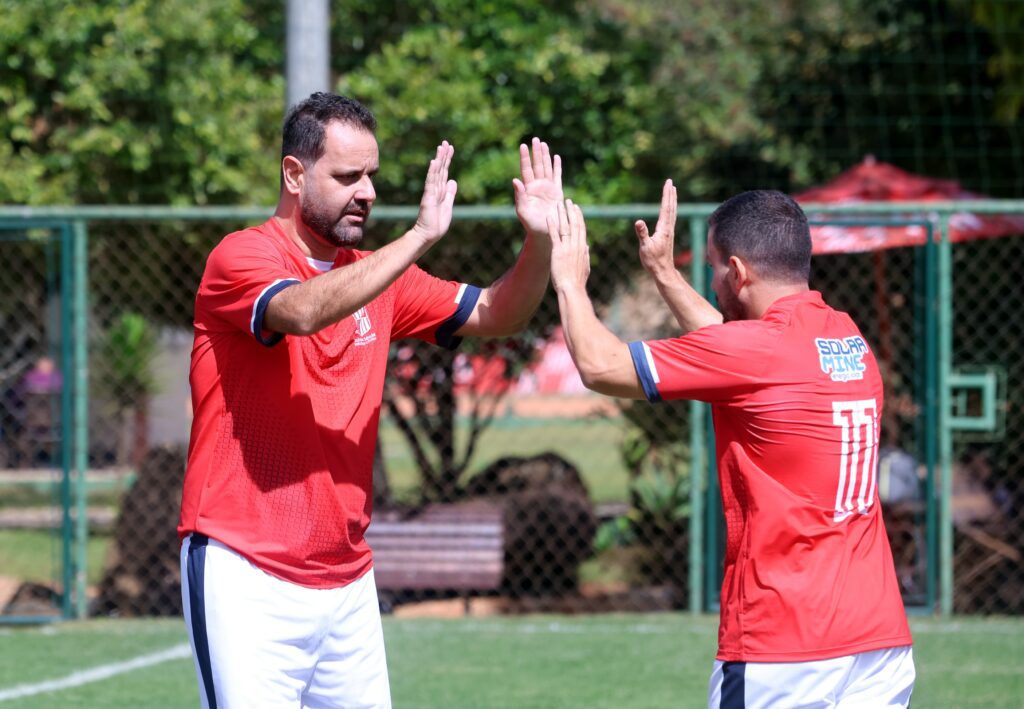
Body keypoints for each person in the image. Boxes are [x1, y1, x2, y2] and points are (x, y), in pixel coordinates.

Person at [178, 92, 561, 708]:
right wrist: (419, 237)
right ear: (294, 175)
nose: (368, 192)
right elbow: (301, 310)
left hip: (347, 580)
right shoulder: (241, 255)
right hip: (244, 571)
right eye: (348, 176)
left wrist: (539, 242)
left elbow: (500, 314)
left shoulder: (378, 273)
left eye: (372, 176)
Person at [545, 187, 915, 708]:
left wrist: (567, 281)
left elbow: (600, 365)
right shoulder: (846, 336)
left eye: (716, 268)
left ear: (738, 272)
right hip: (878, 643)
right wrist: (664, 273)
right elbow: (732, 347)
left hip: (784, 646)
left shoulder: (757, 351)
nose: (714, 281)